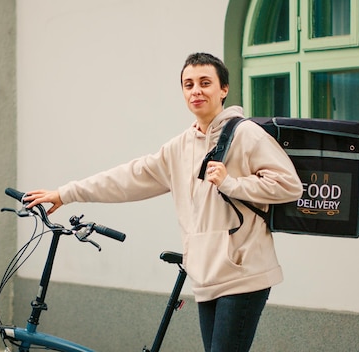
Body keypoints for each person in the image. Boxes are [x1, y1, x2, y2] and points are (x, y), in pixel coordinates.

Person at [23, 52, 303, 352]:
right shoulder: (179, 147)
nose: (196, 90)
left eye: (205, 83)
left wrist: (231, 182)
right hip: (206, 275)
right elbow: (128, 178)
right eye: (189, 84)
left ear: (224, 89)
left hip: (245, 273)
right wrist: (66, 193)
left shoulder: (247, 135)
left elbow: (289, 185)